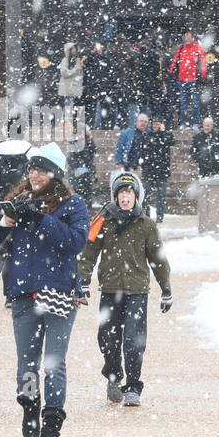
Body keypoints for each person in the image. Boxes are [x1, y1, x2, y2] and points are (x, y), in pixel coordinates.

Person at [0, 143, 90, 437]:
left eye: (42, 170)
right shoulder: (18, 201)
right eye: (32, 168)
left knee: (54, 363)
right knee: (27, 362)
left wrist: (41, 220)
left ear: (55, 175)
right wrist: (4, 221)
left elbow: (75, 243)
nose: (35, 175)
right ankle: (30, 404)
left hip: (58, 291)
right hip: (23, 292)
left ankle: (52, 422)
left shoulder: (74, 205)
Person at [77, 172, 172, 407]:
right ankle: (113, 376)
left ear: (136, 196)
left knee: (133, 340)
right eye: (121, 192)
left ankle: (132, 386)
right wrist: (83, 280)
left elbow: (158, 259)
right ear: (115, 196)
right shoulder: (104, 220)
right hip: (110, 289)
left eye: (129, 193)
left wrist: (166, 289)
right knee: (107, 338)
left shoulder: (146, 225)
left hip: (136, 291)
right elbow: (89, 253)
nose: (125, 197)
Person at [129, 117, 174, 222]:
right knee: (144, 195)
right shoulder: (147, 136)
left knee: (161, 197)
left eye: (158, 124)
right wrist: (138, 164)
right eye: (154, 124)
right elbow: (140, 151)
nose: (156, 126)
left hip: (162, 171)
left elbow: (171, 141)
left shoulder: (165, 135)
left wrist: (163, 132)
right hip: (149, 171)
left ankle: (159, 217)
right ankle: (146, 216)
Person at [168, 31, 207, 129]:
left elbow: (203, 63)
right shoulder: (181, 48)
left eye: (189, 37)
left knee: (195, 103)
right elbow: (174, 61)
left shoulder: (198, 48)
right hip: (182, 79)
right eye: (186, 37)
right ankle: (183, 123)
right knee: (183, 103)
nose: (187, 39)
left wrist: (202, 76)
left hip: (193, 79)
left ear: (193, 38)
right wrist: (171, 72)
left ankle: (195, 123)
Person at [57, 42, 84, 117]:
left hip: (75, 87)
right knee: (68, 105)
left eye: (75, 48)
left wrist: (80, 69)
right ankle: (67, 121)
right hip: (68, 87)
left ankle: (70, 121)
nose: (74, 50)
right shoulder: (65, 60)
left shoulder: (77, 59)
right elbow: (64, 73)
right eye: (72, 48)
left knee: (72, 106)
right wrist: (75, 69)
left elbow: (79, 74)